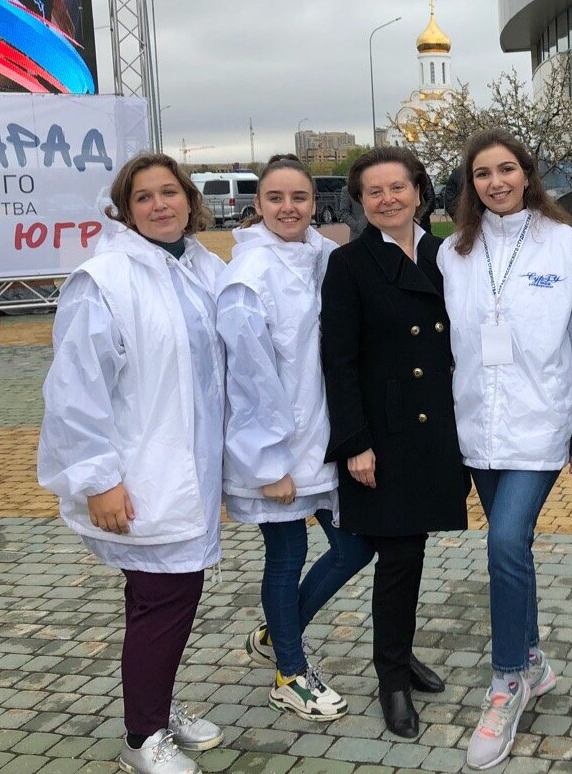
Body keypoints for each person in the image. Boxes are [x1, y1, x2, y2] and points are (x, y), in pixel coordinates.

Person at [37, 153, 226, 774]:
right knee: (165, 597)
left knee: (156, 596)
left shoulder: (198, 267)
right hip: (142, 474)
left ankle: (154, 708)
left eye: (169, 192)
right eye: (143, 197)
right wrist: (98, 480)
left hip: (188, 470)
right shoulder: (106, 279)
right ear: (124, 210)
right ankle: (142, 739)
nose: (159, 205)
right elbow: (76, 389)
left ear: (190, 200)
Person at [437, 129, 572, 769]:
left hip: (539, 425)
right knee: (513, 552)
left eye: (506, 170)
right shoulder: (453, 251)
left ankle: (506, 681)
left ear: (527, 175)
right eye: (482, 174)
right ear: (470, 185)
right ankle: (533, 662)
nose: (496, 182)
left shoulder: (565, 243)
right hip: (478, 428)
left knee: (505, 543)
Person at [319, 145, 468, 740]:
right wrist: (355, 443)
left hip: (438, 427)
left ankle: (400, 656)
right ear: (360, 202)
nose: (387, 200)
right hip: (385, 433)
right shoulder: (349, 263)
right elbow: (338, 361)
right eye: (374, 192)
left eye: (397, 187)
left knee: (412, 551)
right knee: (399, 558)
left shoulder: (446, 254)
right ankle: (392, 680)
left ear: (419, 192)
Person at [217, 154, 361, 721]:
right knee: (288, 555)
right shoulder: (249, 276)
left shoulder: (322, 256)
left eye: (298, 197)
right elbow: (248, 379)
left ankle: (278, 633)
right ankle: (290, 674)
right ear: (258, 205)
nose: (288, 208)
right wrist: (267, 462)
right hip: (276, 450)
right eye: (275, 198)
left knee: (354, 545)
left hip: (322, 439)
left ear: (313, 203)